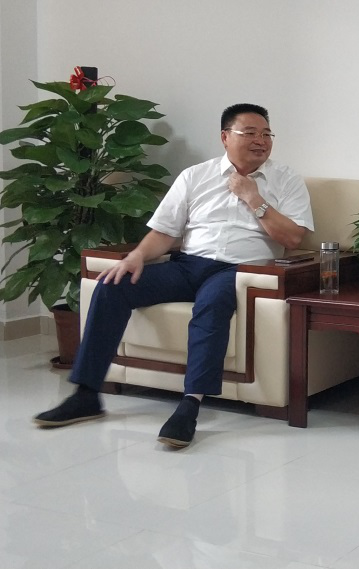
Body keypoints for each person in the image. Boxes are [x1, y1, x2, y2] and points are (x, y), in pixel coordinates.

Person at [33, 104, 312, 449]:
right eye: (250, 133)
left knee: (211, 306)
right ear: (225, 137)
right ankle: (87, 393)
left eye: (267, 134)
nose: (261, 140)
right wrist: (136, 256)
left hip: (241, 271)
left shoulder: (286, 180)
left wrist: (253, 198)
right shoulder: (195, 176)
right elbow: (165, 232)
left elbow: (293, 238)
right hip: (188, 264)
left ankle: (189, 405)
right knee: (112, 285)